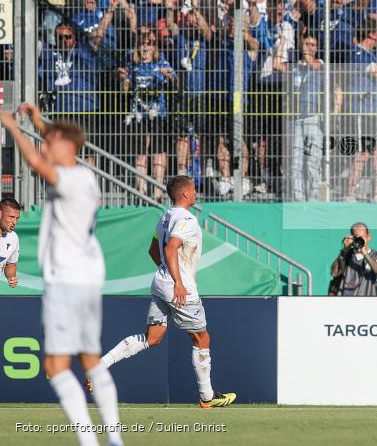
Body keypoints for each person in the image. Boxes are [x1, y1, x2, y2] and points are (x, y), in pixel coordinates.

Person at [0, 103, 123, 446]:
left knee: (55, 367)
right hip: (85, 277)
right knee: (90, 360)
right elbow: (52, 147)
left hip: (67, 279)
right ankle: (113, 439)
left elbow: (38, 163)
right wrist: (37, 119)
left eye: (48, 140)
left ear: (65, 147)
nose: (44, 144)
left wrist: (11, 126)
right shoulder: (84, 176)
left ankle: (90, 441)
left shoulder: (70, 178)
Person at [88, 176, 236, 409]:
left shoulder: (165, 217)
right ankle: (207, 397)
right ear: (185, 194)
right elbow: (170, 248)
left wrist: (166, 274)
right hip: (179, 287)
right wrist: (177, 281)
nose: (196, 192)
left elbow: (152, 250)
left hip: (160, 283)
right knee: (202, 338)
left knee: (152, 338)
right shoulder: (186, 219)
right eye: (194, 189)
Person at [329, 222, 377, 296]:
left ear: (369, 237)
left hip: (369, 303)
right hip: (346, 303)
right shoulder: (345, 255)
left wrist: (365, 254)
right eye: (356, 238)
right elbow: (334, 272)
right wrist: (345, 250)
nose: (359, 240)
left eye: (362, 237)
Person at [0, 198, 21, 288]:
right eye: (11, 217)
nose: (14, 222)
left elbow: (10, 264)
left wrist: (11, 277)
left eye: (17, 218)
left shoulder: (13, 237)